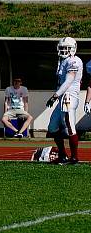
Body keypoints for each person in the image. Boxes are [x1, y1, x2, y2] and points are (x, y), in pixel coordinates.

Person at [46, 37, 82, 165]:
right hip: (62, 97)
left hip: (69, 96)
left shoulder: (74, 61)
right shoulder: (62, 61)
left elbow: (68, 81)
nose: (63, 51)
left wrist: (55, 95)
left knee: (70, 126)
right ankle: (63, 155)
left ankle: (74, 158)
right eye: (61, 48)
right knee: (52, 127)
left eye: (66, 48)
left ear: (73, 49)